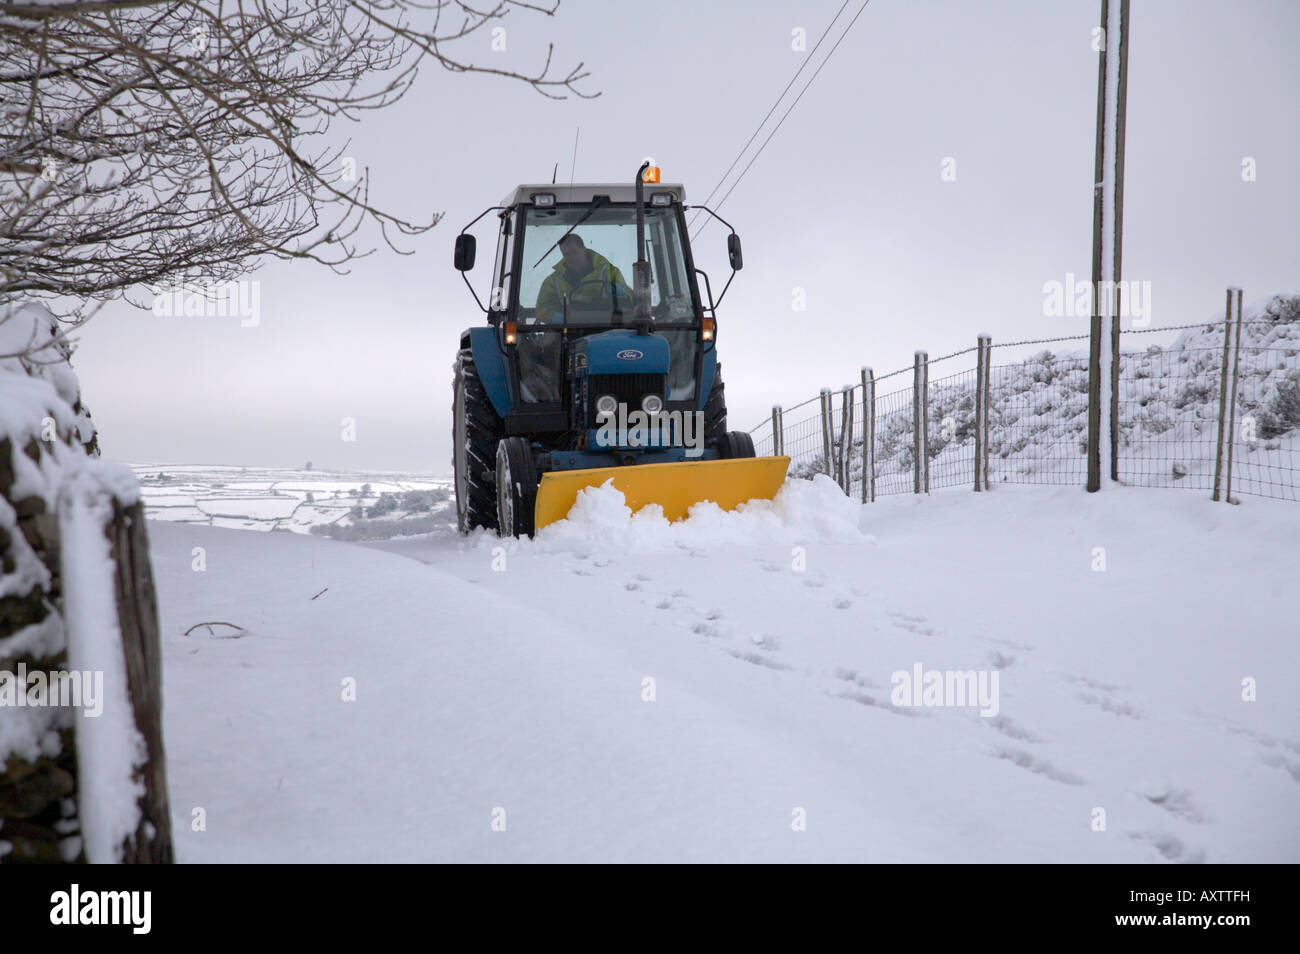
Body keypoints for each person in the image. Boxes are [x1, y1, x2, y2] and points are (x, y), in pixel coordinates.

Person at [534, 234, 631, 322]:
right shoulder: (554, 281)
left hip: (606, 327)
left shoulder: (609, 272)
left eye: (574, 252)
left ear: (584, 249)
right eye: (566, 254)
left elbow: (630, 299)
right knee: (548, 340)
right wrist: (554, 316)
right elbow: (541, 309)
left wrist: (621, 292)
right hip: (569, 329)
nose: (571, 257)